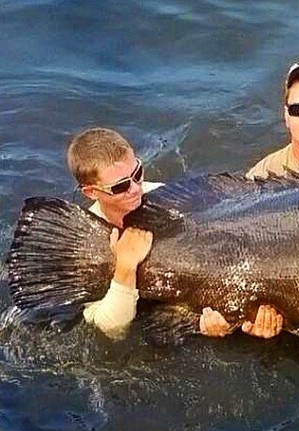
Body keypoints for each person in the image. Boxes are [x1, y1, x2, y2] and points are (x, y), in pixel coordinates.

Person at [67, 127, 282, 340]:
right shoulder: (86, 241)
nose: (135, 189)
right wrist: (125, 267)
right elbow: (111, 331)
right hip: (138, 322)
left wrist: (208, 321)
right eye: (120, 187)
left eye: (137, 174)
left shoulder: (169, 199)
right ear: (91, 192)